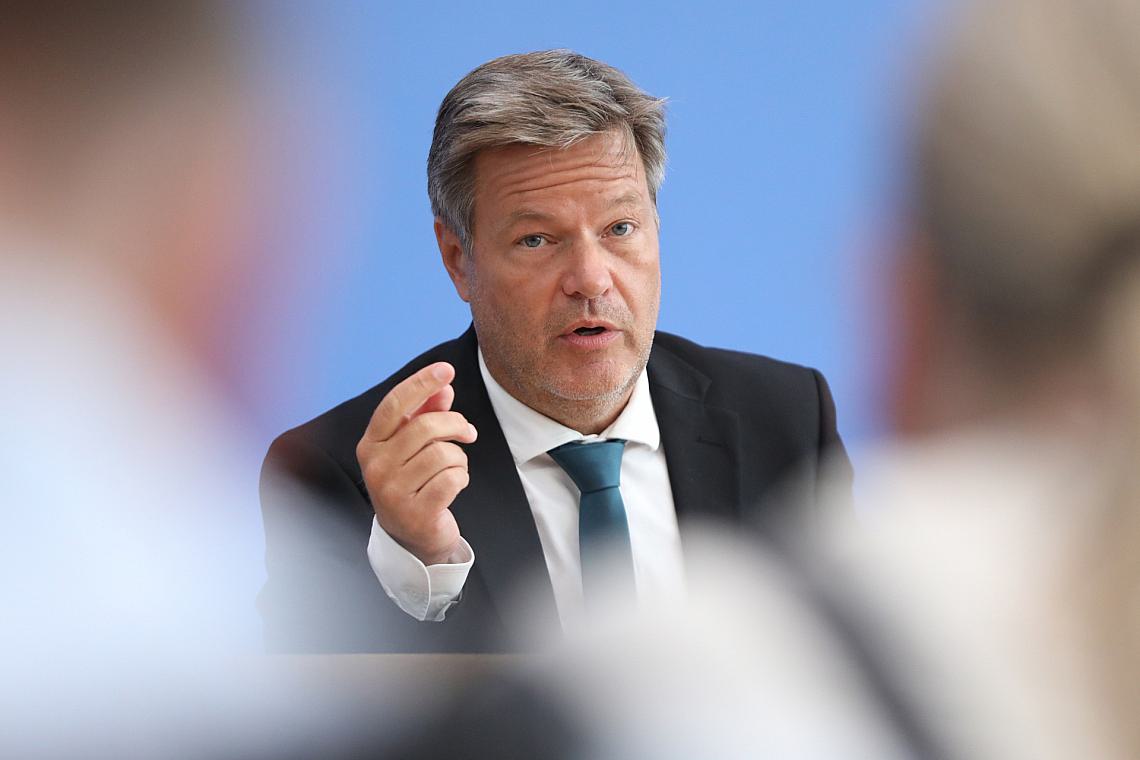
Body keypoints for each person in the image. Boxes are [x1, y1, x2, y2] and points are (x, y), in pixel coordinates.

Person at [259, 50, 852, 653]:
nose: (591, 280)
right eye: (537, 240)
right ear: (459, 259)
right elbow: (317, 702)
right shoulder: (337, 474)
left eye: (620, 228)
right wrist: (416, 562)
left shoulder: (786, 419)